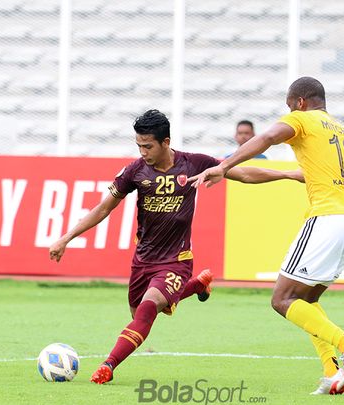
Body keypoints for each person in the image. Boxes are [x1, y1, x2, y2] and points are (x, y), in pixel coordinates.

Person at [49, 109, 304, 384]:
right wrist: (66, 237)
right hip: (143, 260)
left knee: (148, 308)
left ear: (166, 142)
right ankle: (197, 286)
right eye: (139, 146)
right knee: (140, 315)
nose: (143, 151)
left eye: (148, 146)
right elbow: (102, 209)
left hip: (177, 259)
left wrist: (289, 174)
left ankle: (107, 366)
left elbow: (242, 173)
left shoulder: (193, 164)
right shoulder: (134, 172)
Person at [190, 76, 344, 395]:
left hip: (327, 219)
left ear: (298, 102)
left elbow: (268, 137)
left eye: (288, 106)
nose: (287, 111)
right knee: (307, 300)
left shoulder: (302, 119)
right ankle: (331, 369)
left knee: (282, 299)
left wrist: (225, 163)